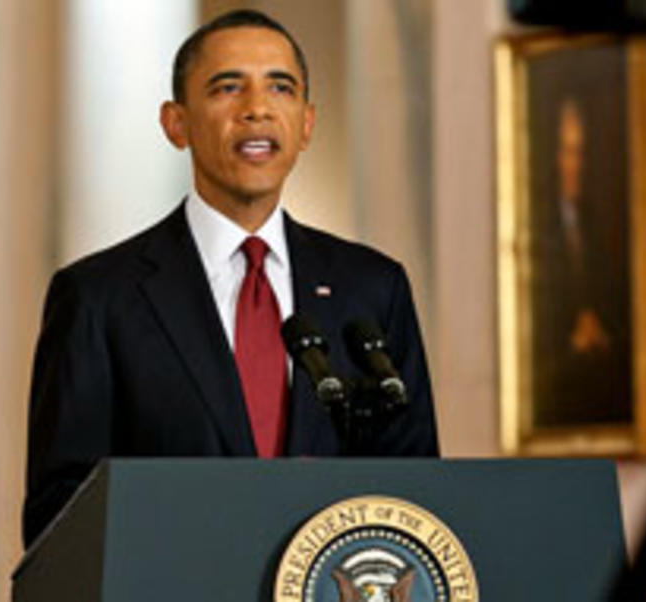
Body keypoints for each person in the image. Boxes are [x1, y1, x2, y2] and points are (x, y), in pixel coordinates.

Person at [23, 10, 438, 548]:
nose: (257, 110)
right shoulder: (98, 298)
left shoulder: (373, 288)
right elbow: (59, 518)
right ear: (177, 123)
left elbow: (418, 493)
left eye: (280, 88)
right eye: (227, 88)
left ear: (307, 123)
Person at [536, 99, 631, 426]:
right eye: (567, 152)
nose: (574, 164)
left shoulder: (591, 222)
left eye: (580, 153)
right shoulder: (536, 227)